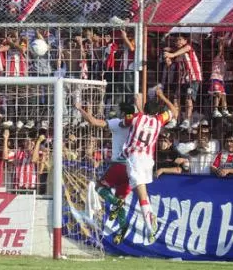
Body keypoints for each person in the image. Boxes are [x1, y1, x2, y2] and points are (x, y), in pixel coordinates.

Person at [123, 87, 178, 241]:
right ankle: (150, 219)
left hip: (134, 158)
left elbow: (124, 122)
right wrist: (162, 95)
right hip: (148, 160)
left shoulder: (135, 117)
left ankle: (149, 224)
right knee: (143, 193)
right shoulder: (158, 120)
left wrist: (136, 104)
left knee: (141, 195)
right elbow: (175, 111)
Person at [75, 100, 135, 219]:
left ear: (123, 113)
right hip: (133, 166)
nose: (117, 113)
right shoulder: (138, 123)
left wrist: (79, 108)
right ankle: (123, 227)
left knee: (99, 187)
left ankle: (117, 204)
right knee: (119, 200)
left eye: (119, 111)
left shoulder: (117, 123)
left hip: (119, 165)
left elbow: (93, 121)